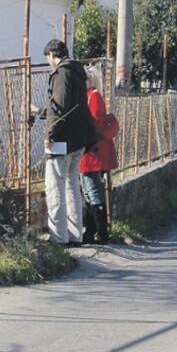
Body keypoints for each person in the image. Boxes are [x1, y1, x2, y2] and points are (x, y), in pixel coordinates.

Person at [32, 39, 97, 246]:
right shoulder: (78, 72)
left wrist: (50, 135)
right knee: (71, 186)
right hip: (79, 139)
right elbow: (67, 106)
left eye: (48, 58)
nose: (49, 62)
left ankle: (59, 237)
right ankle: (75, 234)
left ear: (52, 55)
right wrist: (41, 112)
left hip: (62, 139)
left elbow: (59, 107)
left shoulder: (61, 74)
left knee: (55, 187)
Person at [80, 67, 119, 243]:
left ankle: (101, 232)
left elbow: (95, 123)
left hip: (92, 151)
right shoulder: (89, 95)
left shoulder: (93, 96)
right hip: (90, 150)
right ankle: (92, 232)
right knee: (89, 192)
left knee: (92, 191)